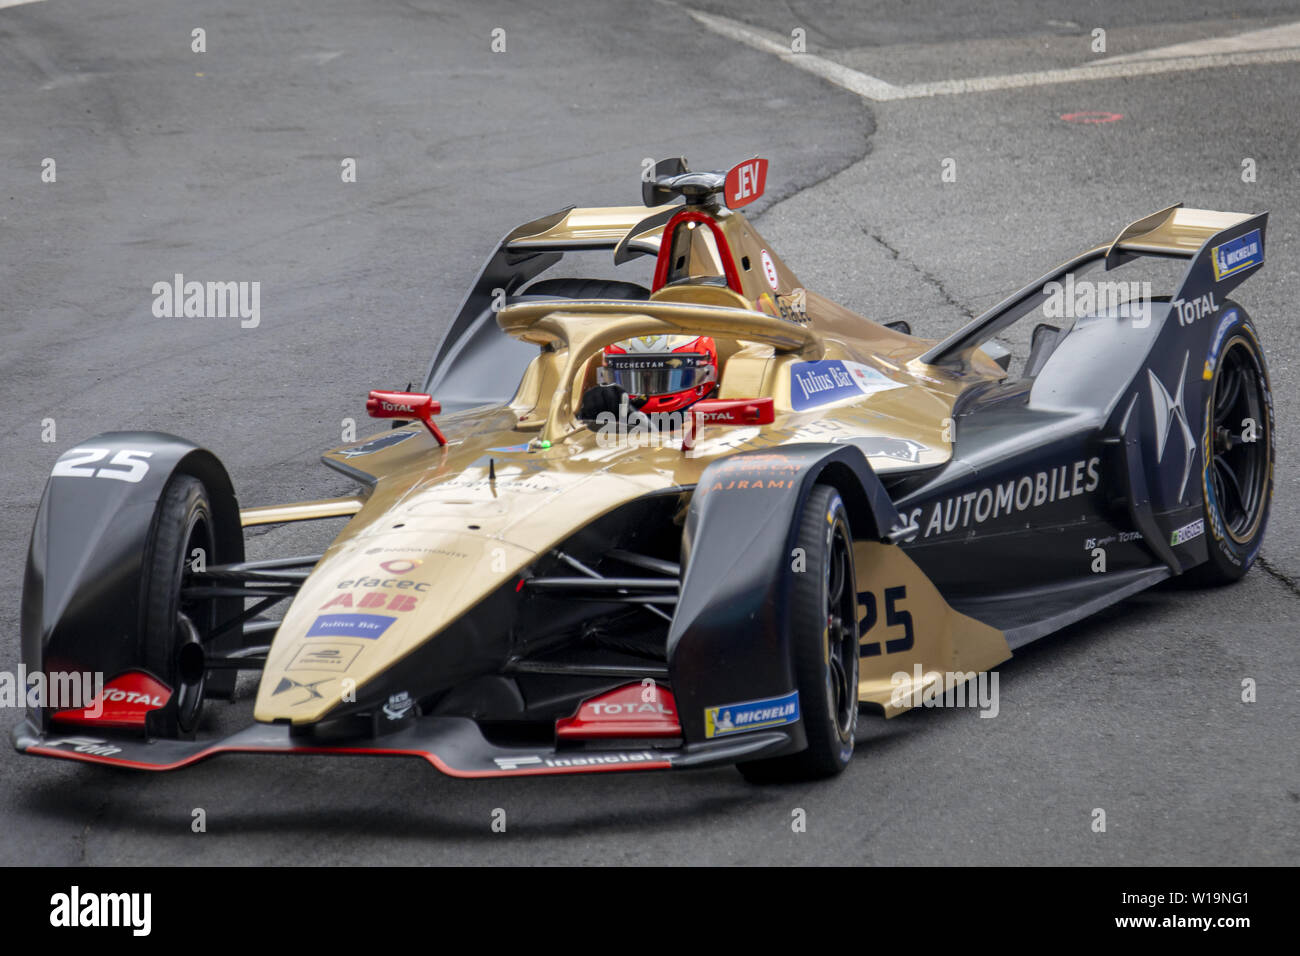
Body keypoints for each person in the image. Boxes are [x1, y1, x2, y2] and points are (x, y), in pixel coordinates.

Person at [579, 334, 719, 430]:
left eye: (665, 378)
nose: (647, 391)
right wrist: (591, 421)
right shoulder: (611, 411)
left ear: (706, 372)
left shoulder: (722, 419)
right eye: (632, 378)